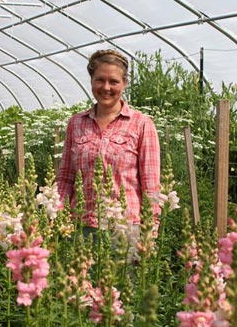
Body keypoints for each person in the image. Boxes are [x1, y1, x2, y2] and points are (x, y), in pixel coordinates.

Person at [56, 49, 160, 229]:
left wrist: (151, 229)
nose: (106, 87)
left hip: (126, 229)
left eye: (113, 81)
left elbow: (151, 186)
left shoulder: (141, 124)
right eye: (100, 80)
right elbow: (65, 178)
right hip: (80, 226)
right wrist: (56, 213)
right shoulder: (76, 123)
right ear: (92, 81)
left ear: (125, 83)